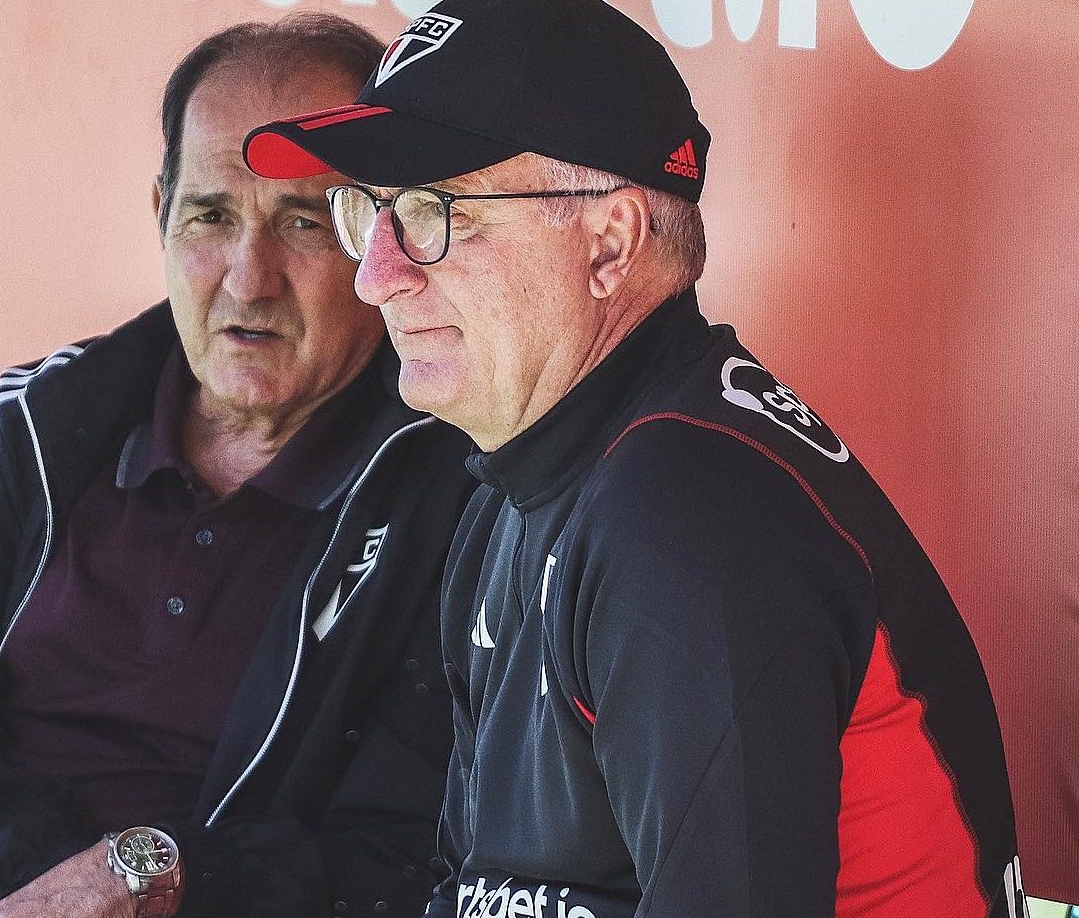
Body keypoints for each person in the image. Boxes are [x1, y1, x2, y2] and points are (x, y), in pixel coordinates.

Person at [243, 0, 1028, 915]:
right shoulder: (525, 478)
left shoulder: (686, 520)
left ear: (608, 243)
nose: (375, 274)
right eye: (366, 212)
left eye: (429, 212)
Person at [0, 13, 476, 918]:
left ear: (384, 236)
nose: (246, 276)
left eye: (303, 220)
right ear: (160, 217)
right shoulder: (43, 422)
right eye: (210, 215)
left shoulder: (448, 493)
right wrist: (34, 894)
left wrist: (148, 879)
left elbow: (399, 856)